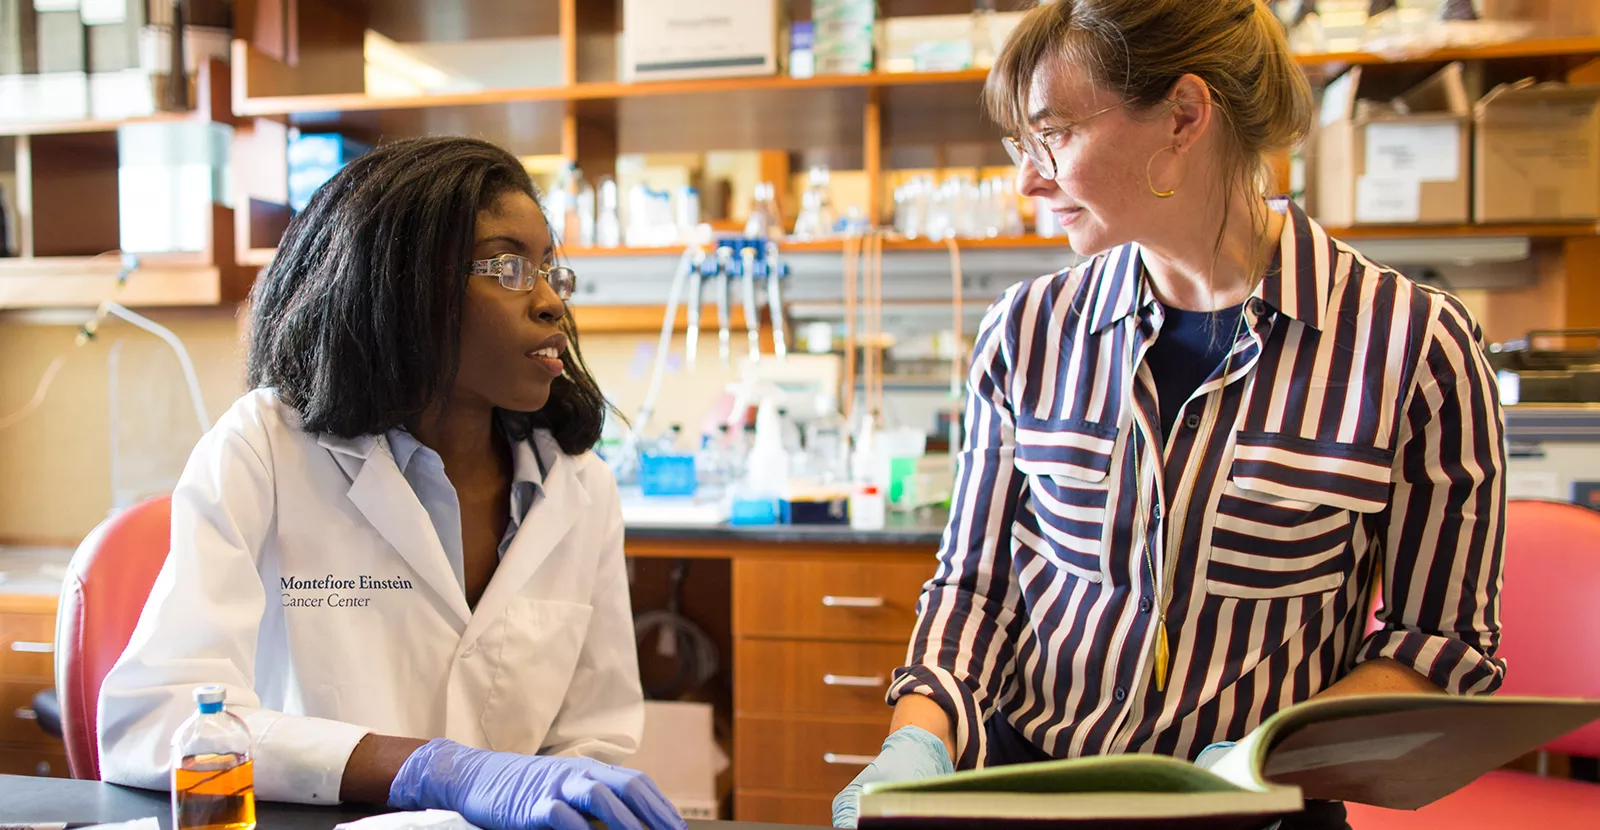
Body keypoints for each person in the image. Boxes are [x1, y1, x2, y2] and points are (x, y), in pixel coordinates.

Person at [833, 2, 1506, 829]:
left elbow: (1440, 646)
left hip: (1260, 814)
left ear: (1184, 117)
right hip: (1029, 795)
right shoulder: (1029, 331)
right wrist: (917, 743)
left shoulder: (1414, 347)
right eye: (1021, 145)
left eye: (1053, 135)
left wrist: (1260, 760)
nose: (1027, 180)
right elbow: (974, 588)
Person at [98, 136, 685, 830]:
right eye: (507, 266)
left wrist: (574, 795)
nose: (552, 303)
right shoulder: (264, 449)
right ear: (398, 284)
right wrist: (430, 769)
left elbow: (594, 735)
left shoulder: (579, 488)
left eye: (553, 271)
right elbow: (157, 716)